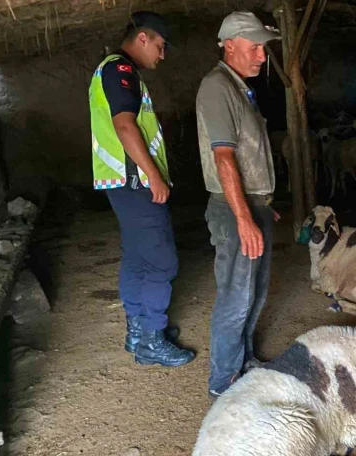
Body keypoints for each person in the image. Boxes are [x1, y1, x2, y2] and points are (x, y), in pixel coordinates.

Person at [89, 11, 195, 367]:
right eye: (160, 46)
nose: (161, 56)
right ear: (143, 38)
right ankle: (151, 338)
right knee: (162, 260)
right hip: (134, 179)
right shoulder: (120, 70)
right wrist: (153, 175)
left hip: (120, 180)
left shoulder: (111, 69)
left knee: (137, 255)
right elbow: (124, 126)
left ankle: (137, 330)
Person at [195, 12, 281, 398]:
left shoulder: (239, 87)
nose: (262, 55)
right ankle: (223, 383)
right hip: (234, 211)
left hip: (250, 205)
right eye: (255, 47)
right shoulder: (217, 87)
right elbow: (224, 158)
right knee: (236, 296)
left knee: (254, 293)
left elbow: (248, 156)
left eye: (264, 47)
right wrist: (245, 217)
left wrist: (262, 202)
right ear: (230, 44)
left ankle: (242, 362)